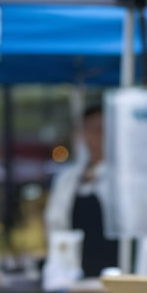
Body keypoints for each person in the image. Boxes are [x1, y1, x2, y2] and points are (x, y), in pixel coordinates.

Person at [44, 105, 119, 279]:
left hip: (113, 272)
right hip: (74, 274)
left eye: (101, 130)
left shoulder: (121, 179)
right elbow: (55, 225)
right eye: (91, 130)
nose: (97, 137)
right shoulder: (67, 180)